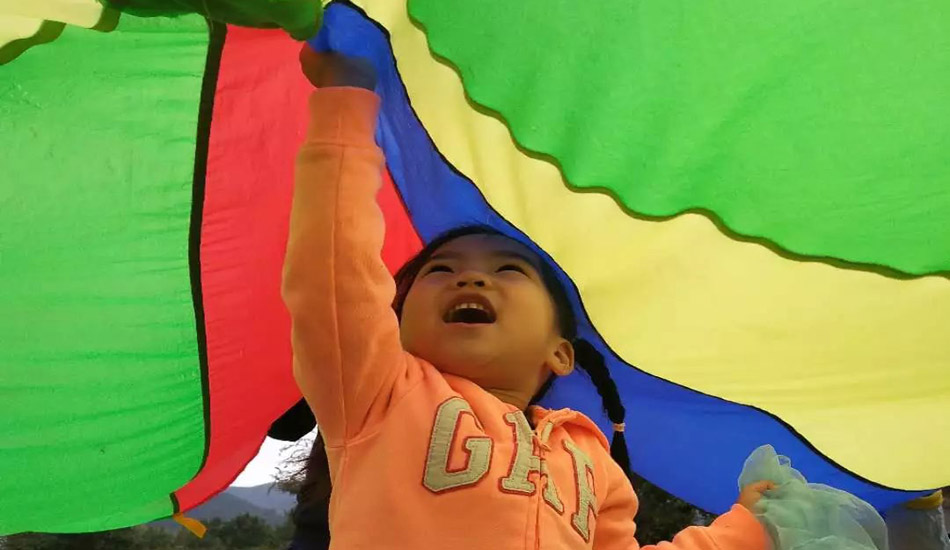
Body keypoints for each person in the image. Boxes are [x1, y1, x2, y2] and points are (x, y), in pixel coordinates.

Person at [281, 45, 774, 549]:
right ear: (397, 325)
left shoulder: (592, 462)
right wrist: (345, 101)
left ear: (560, 354)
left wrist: (745, 532)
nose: (470, 279)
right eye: (441, 269)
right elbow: (334, 265)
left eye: (508, 269)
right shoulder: (379, 393)